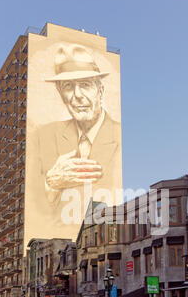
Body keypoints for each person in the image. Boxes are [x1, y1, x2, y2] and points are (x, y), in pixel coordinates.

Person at [30, 43, 122, 227]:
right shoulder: (43, 136)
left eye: (85, 85)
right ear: (60, 92)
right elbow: (37, 208)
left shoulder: (117, 136)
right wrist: (51, 185)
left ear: (100, 90)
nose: (77, 95)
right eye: (68, 86)